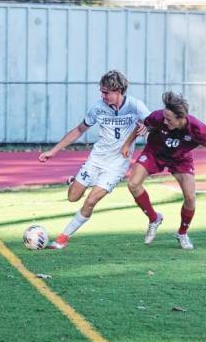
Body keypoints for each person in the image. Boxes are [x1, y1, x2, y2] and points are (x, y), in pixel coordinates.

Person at [38, 70, 151, 249]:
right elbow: (79, 130)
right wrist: (54, 151)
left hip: (117, 165)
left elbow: (154, 122)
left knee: (91, 200)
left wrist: (147, 126)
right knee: (73, 197)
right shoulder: (98, 107)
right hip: (96, 159)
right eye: (102, 91)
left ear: (118, 90)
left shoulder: (136, 106)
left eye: (106, 92)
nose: (102, 95)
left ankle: (63, 237)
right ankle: (74, 182)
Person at [120, 91, 206, 250]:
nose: (165, 122)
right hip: (154, 152)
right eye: (164, 118)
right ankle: (154, 219)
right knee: (133, 184)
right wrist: (126, 144)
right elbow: (142, 126)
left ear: (181, 118)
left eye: (169, 119)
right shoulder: (158, 116)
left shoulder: (198, 129)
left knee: (190, 198)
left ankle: (182, 233)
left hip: (180, 159)